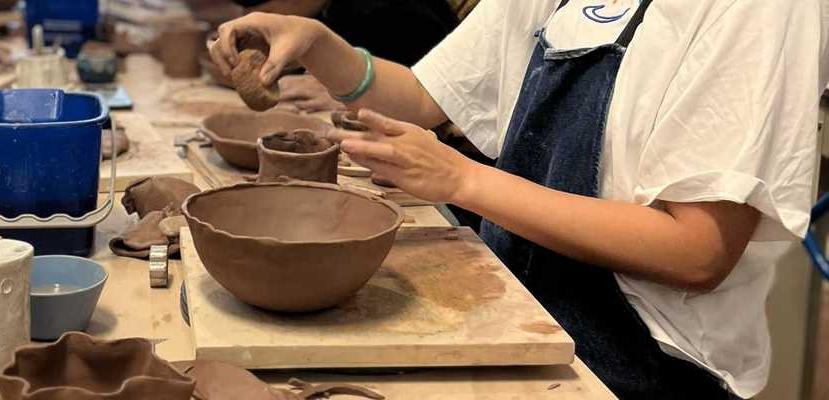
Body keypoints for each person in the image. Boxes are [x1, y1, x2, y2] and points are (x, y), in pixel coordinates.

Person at [210, 0, 827, 398]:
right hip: (526, 316)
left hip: (647, 367)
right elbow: (428, 95)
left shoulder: (763, 10)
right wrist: (319, 44)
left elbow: (698, 250)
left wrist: (462, 180)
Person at [228, 0, 460, 112]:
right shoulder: (328, 9)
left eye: (267, 10)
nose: (252, 15)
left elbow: (438, 103)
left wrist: (343, 90)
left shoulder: (395, 14)